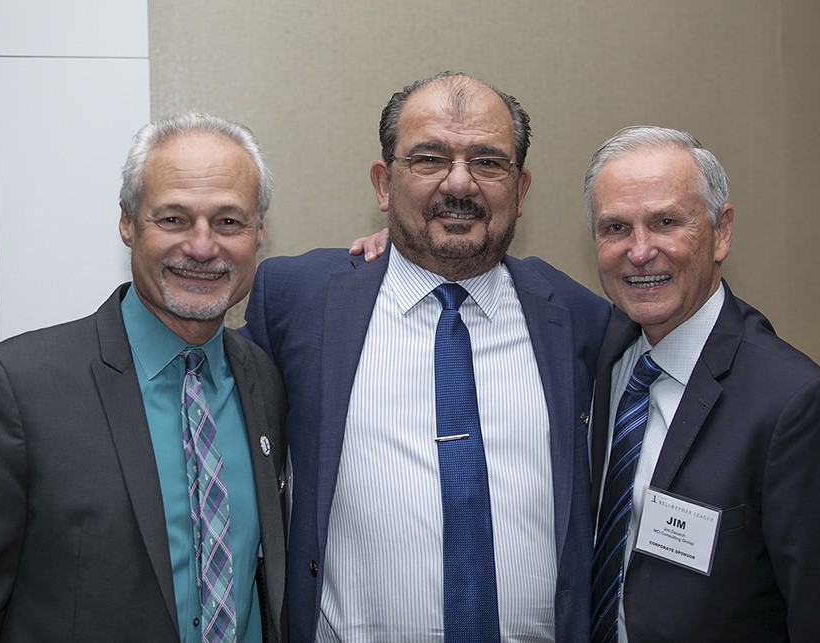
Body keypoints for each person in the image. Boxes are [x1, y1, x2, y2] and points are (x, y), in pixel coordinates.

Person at [241, 71, 610, 642]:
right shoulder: (296, 299)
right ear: (384, 184)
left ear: (522, 187)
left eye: (488, 162)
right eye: (429, 159)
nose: (459, 185)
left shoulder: (583, 317)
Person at [0, 112, 288, 642]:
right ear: (127, 223)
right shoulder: (14, 390)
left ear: (258, 233)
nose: (203, 247)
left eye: (228, 222)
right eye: (174, 220)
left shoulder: (263, 381)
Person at [585, 125, 820, 642]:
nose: (639, 252)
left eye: (665, 222)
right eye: (615, 228)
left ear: (721, 231)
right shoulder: (602, 357)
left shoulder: (796, 407)